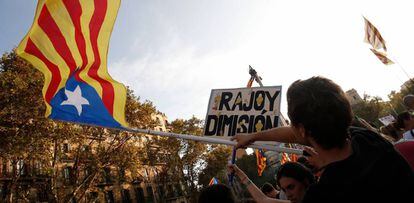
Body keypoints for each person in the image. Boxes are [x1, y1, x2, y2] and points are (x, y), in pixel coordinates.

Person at [232, 76, 414, 203]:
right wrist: (253, 136)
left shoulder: (324, 195)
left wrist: (253, 136)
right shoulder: (369, 140)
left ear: (302, 130)